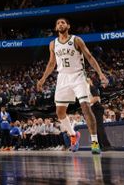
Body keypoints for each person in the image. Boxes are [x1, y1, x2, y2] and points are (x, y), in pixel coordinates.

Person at [37, 18, 109, 155]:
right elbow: (51, 64)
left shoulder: (76, 40)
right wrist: (42, 79)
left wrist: (100, 74)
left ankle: (94, 143)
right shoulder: (52, 44)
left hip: (78, 76)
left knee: (86, 107)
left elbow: (89, 57)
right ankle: (73, 135)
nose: (60, 24)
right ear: (55, 27)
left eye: (63, 22)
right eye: (58, 23)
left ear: (68, 26)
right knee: (59, 112)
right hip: (63, 78)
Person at [87, 76, 113, 151]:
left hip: (97, 108)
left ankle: (106, 145)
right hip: (91, 109)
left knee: (99, 127)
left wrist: (87, 103)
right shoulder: (84, 91)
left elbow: (96, 98)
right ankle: (97, 146)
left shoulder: (91, 87)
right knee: (93, 129)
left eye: (87, 80)